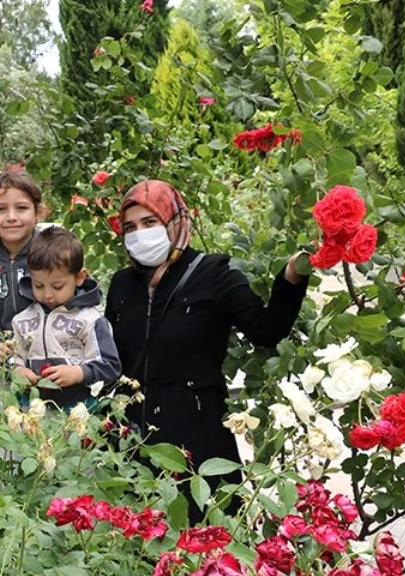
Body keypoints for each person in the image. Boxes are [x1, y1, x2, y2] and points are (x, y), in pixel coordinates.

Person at [105, 178, 308, 474]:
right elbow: (109, 356)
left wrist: (292, 277)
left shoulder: (213, 273)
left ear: (174, 220)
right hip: (133, 438)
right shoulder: (123, 284)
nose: (140, 234)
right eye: (131, 227)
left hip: (198, 434)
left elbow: (266, 330)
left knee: (205, 517)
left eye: (150, 222)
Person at [9, 226, 121, 409]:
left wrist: (79, 373)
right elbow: (13, 357)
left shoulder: (90, 320)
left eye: (57, 286)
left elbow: (110, 366)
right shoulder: (22, 320)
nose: (47, 295)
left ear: (79, 278)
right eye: (38, 285)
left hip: (78, 411)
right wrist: (17, 370)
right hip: (33, 410)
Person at [0, 169, 45, 363]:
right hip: (10, 357)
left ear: (38, 212)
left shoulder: (51, 251)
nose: (11, 217)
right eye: (0, 209)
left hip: (52, 352)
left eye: (21, 208)